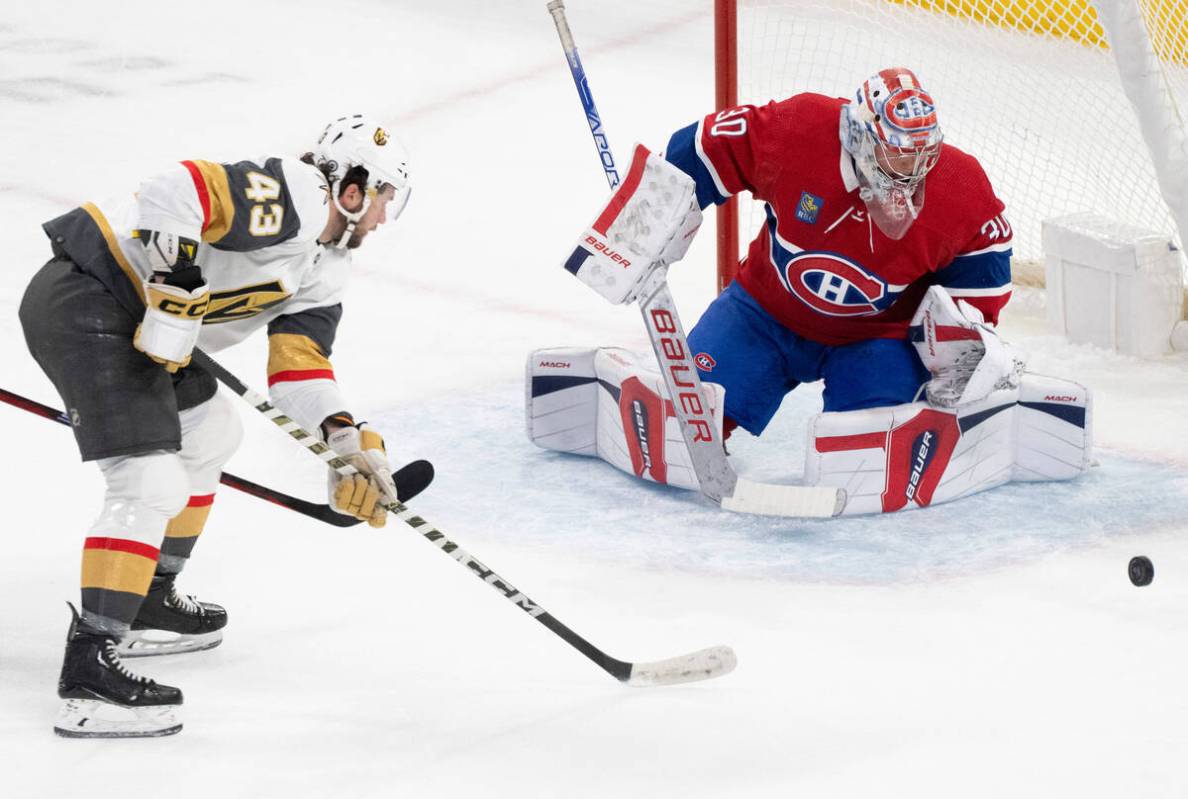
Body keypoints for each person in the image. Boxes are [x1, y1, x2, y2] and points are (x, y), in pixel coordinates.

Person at [527, 67, 1091, 514]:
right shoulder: (798, 130)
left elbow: (982, 276)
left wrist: (963, 347)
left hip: (876, 339)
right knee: (685, 422)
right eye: (898, 151)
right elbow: (705, 146)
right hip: (763, 315)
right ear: (861, 133)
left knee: (865, 456)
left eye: (924, 152)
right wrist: (640, 227)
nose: (913, 169)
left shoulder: (959, 185)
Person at [20, 114, 412, 738]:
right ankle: (89, 670)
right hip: (91, 300)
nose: (383, 218)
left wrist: (345, 440)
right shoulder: (297, 197)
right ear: (353, 187)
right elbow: (176, 188)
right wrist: (175, 280)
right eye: (384, 198)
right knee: (148, 484)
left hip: (147, 336)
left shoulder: (324, 265)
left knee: (211, 436)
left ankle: (149, 596)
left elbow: (298, 368)